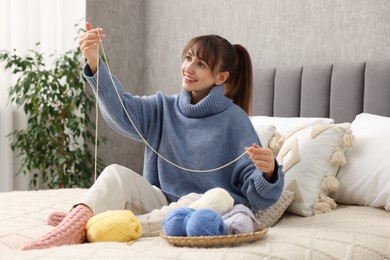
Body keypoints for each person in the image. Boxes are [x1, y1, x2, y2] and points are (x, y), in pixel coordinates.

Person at [20, 22, 284, 250]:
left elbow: (258, 197)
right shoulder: (163, 107)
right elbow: (121, 109)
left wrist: (270, 172)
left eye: (201, 64)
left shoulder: (235, 120)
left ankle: (110, 224)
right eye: (188, 58)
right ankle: (74, 225)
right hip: (160, 200)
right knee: (114, 174)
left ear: (220, 77)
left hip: (202, 208)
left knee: (204, 197)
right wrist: (93, 62)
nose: (189, 68)